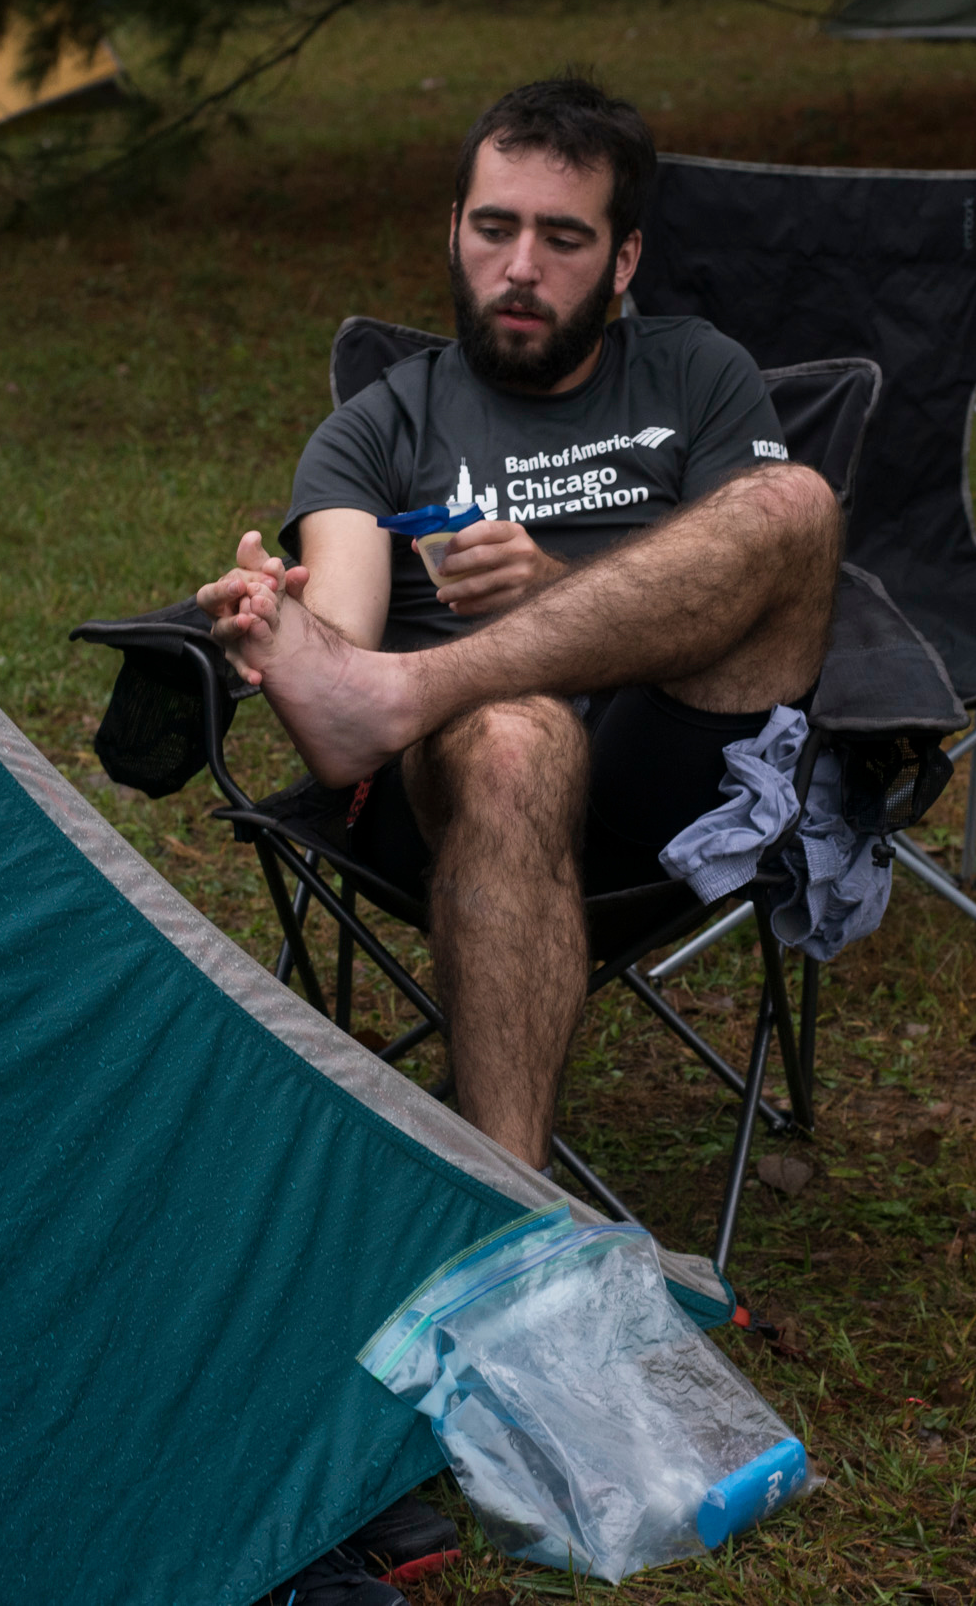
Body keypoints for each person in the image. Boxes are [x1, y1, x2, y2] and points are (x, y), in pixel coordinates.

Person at [196, 75, 842, 1175]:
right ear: (453, 230)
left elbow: (762, 579)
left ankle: (422, 687)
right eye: (494, 228)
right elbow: (342, 623)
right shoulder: (378, 425)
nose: (522, 268)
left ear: (623, 260)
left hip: (665, 774)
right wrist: (287, 625)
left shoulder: (698, 373)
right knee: (511, 735)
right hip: (455, 798)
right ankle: (510, 1210)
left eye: (564, 237)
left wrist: (550, 583)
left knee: (797, 504)